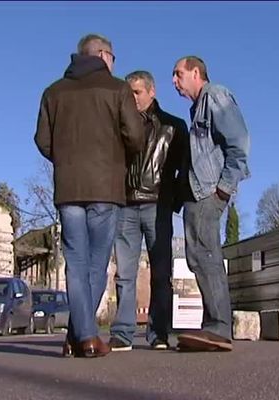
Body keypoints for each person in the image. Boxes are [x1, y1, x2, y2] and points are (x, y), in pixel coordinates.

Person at [34, 34, 144, 358]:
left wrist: (66, 160)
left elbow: (42, 140)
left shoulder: (53, 92)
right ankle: (86, 337)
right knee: (96, 263)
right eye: (113, 56)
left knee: (76, 262)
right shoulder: (117, 88)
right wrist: (117, 157)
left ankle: (78, 333)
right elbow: (135, 135)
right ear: (102, 55)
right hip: (105, 186)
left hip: (68, 187)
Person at [171, 56, 250, 352]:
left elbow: (239, 142)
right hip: (198, 192)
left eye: (178, 74)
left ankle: (218, 326)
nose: (175, 82)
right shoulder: (197, 108)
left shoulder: (214, 95)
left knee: (205, 255)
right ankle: (211, 325)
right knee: (197, 257)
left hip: (209, 192)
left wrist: (223, 189)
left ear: (196, 72)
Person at [108, 70, 188, 352]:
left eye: (137, 93)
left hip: (158, 206)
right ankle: (122, 333)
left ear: (151, 92)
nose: (132, 99)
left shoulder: (174, 127)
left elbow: (184, 169)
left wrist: (172, 202)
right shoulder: (119, 127)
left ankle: (159, 333)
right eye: (128, 94)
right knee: (125, 273)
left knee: (160, 273)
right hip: (126, 205)